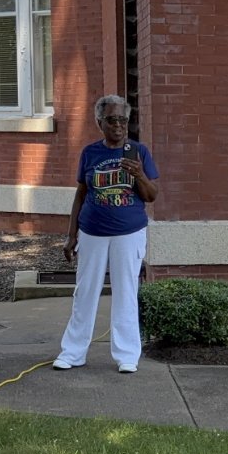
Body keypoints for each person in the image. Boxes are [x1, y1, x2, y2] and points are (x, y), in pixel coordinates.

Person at [52, 95, 159, 373]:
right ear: (100, 122)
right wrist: (71, 234)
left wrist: (139, 175)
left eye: (124, 120)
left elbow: (152, 196)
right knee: (85, 291)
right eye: (113, 120)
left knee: (126, 291)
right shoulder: (90, 153)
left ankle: (127, 355)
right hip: (92, 232)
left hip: (129, 232)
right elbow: (81, 194)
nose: (120, 126)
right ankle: (73, 352)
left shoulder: (138, 152)